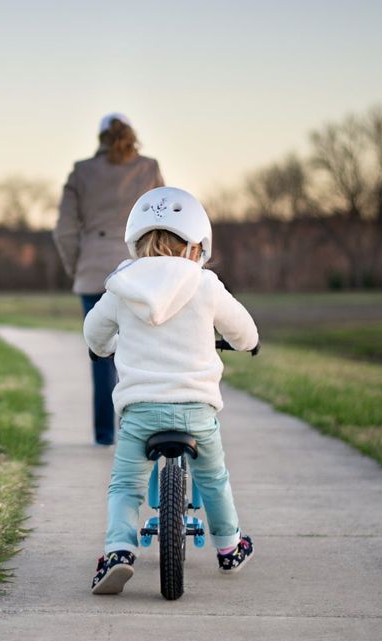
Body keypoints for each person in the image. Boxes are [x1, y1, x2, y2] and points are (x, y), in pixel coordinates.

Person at [83, 187, 260, 594]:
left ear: (135, 241)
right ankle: (230, 548)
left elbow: (94, 333)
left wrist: (101, 349)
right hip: (197, 410)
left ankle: (118, 552)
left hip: (141, 410)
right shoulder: (205, 284)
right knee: (214, 477)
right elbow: (244, 330)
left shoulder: (121, 285)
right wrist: (249, 344)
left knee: (125, 485)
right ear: (198, 246)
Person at [53, 113, 164, 446]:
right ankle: (141, 431)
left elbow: (65, 230)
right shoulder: (149, 168)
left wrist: (78, 266)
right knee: (146, 353)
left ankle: (104, 436)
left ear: (99, 138)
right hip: (141, 270)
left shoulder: (82, 171)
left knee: (100, 355)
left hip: (94, 271)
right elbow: (164, 218)